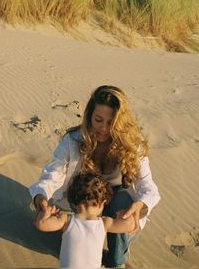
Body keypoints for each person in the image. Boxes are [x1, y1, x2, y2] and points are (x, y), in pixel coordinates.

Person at [29, 85, 161, 268]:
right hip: (85, 198)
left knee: (115, 259)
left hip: (117, 201)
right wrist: (40, 198)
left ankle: (117, 256)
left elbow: (149, 188)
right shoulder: (73, 140)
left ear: (120, 123)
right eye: (98, 119)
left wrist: (139, 206)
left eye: (111, 123)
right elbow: (53, 174)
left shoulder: (132, 145)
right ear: (89, 115)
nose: (103, 129)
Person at [34, 172, 136, 268]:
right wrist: (122, 214)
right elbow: (130, 225)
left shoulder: (66, 220)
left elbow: (41, 224)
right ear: (102, 203)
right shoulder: (104, 223)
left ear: (75, 201)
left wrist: (46, 213)